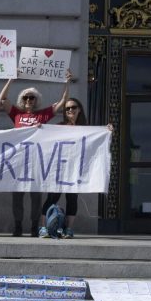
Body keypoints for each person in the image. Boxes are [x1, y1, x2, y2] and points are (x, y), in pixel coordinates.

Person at [0, 69, 73, 236]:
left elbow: (62, 103)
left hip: (37, 161)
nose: (28, 100)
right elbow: (2, 99)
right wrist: (11, 78)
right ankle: (18, 225)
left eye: (32, 97)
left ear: (36, 100)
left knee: (36, 196)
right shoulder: (16, 114)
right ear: (22, 100)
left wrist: (67, 83)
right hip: (19, 160)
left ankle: (34, 227)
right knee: (17, 195)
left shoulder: (42, 114)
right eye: (26, 97)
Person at [36, 97, 112, 239]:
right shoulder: (59, 126)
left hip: (75, 170)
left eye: (73, 107)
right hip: (59, 169)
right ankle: (42, 227)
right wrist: (41, 129)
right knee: (52, 197)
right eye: (67, 108)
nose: (70, 110)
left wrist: (106, 131)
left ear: (79, 109)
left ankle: (68, 229)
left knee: (72, 199)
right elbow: (46, 139)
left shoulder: (86, 128)